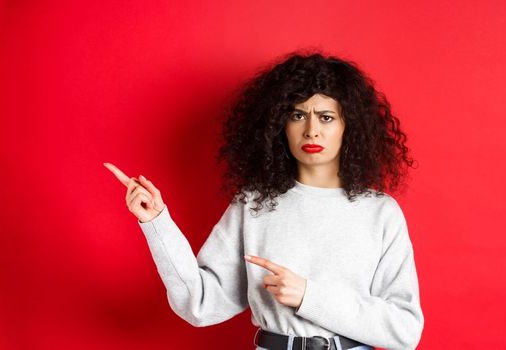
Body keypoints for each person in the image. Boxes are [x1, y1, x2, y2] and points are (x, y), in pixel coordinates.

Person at [104, 50, 423, 349]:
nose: (311, 130)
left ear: (348, 126)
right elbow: (199, 303)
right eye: (298, 115)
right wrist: (157, 223)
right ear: (279, 126)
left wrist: (308, 297)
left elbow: (405, 329)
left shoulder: (380, 213)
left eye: (326, 117)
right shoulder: (254, 205)